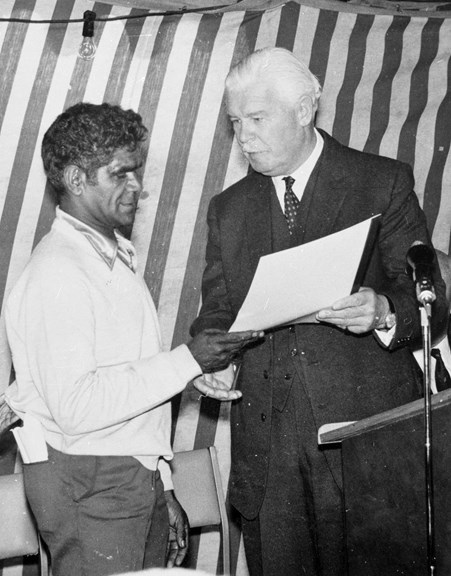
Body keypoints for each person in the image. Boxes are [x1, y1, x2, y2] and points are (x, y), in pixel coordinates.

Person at [190, 47, 448, 576]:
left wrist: (382, 310)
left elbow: (430, 295)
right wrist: (213, 360)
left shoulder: (382, 182)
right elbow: (217, 309)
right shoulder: (228, 209)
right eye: (236, 122)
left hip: (367, 439)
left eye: (257, 119)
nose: (244, 137)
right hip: (268, 454)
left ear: (305, 110)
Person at [4, 102, 261, 576]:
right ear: (77, 179)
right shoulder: (58, 273)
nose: (137, 187)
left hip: (120, 474)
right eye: (121, 174)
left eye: (137, 172)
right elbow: (78, 406)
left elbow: (124, 380)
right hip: (88, 478)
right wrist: (187, 362)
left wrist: (162, 483)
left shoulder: (108, 257)